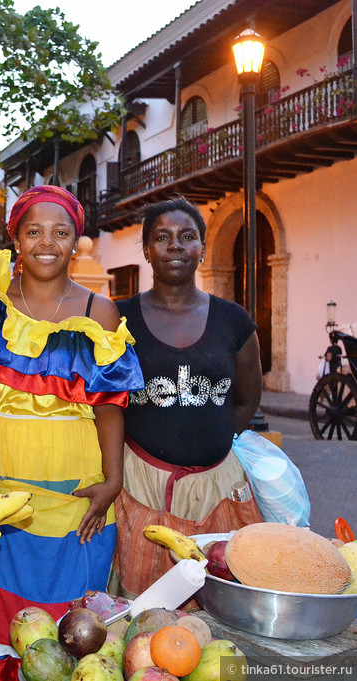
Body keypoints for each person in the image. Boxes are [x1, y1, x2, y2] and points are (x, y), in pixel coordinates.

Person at [0, 185, 144, 680]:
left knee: (64, 618)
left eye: (60, 232)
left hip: (73, 489)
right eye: (33, 231)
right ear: (15, 239)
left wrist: (113, 479)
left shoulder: (99, 311)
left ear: (76, 241)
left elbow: (111, 404)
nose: (46, 242)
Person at [112, 196, 264, 599]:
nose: (175, 245)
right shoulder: (117, 318)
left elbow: (248, 398)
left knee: (224, 607)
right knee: (145, 609)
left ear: (201, 247)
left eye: (187, 236)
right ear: (147, 250)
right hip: (141, 487)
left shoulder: (234, 320)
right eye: (162, 237)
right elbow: (104, 400)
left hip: (220, 488)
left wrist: (208, 442)